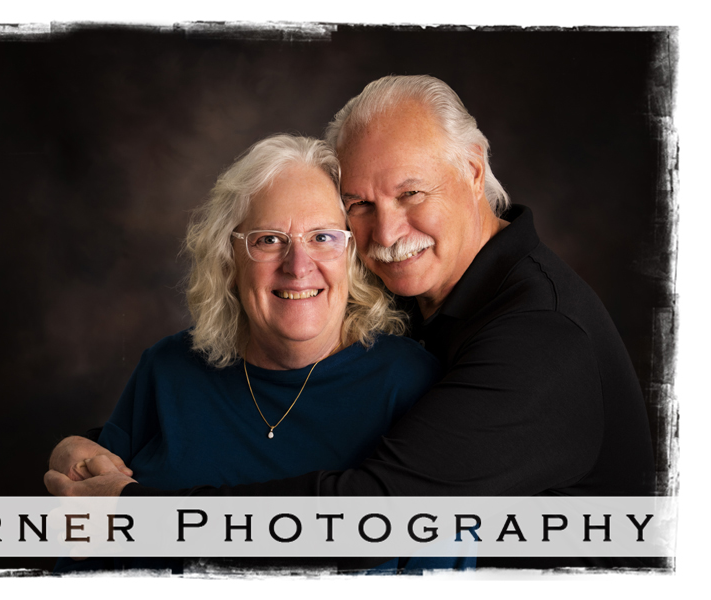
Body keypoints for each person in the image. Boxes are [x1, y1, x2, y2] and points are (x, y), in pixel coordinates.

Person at [47, 77, 657, 569]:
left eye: (411, 193)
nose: (386, 234)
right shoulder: (428, 297)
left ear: (474, 170)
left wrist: (138, 512)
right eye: (361, 205)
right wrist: (93, 452)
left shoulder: (539, 336)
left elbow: (371, 515)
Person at [47, 133, 470, 573]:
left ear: (352, 256)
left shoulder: (411, 383)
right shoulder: (166, 369)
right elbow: (82, 548)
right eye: (269, 240)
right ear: (229, 257)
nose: (298, 265)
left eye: (323, 237)